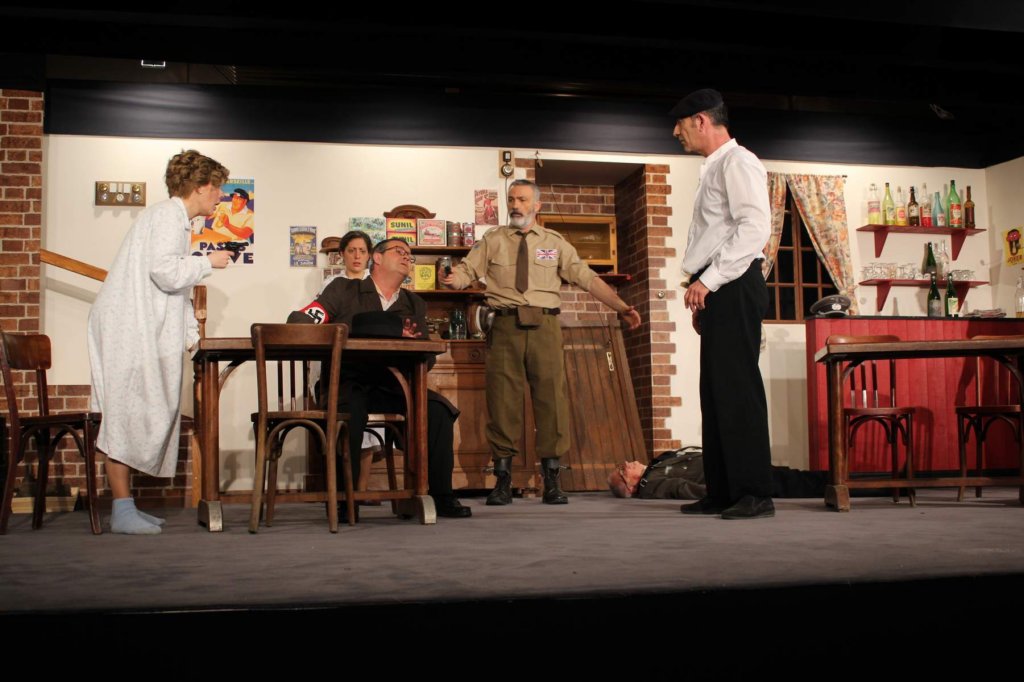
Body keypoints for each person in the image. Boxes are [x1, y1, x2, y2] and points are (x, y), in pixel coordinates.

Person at [440, 179, 642, 506]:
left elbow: (587, 278)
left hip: (545, 326)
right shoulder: (492, 240)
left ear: (537, 205)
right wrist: (453, 280)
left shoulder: (554, 243)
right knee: (502, 401)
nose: (515, 205)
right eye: (511, 199)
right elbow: (466, 271)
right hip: (504, 326)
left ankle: (552, 480)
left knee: (551, 400)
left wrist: (621, 307)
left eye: (522, 199)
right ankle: (503, 479)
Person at [88, 150, 232, 534]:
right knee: (125, 412)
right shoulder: (168, 215)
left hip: (135, 325)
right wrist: (208, 262)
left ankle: (126, 506)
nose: (219, 196)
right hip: (126, 326)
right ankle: (122, 509)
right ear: (199, 186)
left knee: (138, 409)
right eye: (216, 188)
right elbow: (165, 271)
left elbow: (175, 289)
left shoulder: (175, 220)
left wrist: (191, 336)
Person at [288, 238, 471, 519]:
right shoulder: (343, 290)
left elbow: (427, 354)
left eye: (410, 255)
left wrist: (410, 354)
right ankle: (342, 498)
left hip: (393, 385)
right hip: (348, 380)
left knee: (438, 410)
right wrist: (341, 335)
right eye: (399, 251)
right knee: (349, 412)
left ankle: (441, 496)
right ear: (377, 257)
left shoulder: (414, 303)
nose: (407, 257)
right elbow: (300, 322)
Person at [672, 88, 774, 520]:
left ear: (701, 120)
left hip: (734, 282)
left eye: (680, 124)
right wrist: (701, 288)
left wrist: (709, 281)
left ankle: (755, 492)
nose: (675, 133)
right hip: (717, 287)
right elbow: (714, 234)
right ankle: (724, 491)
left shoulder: (739, 161)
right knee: (715, 391)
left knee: (737, 388)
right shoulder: (714, 167)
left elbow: (754, 228)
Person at [608, 448, 829, 502]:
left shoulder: (655, 465)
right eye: (622, 470)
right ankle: (841, 484)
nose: (626, 463)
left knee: (791, 477)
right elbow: (682, 488)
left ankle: (839, 480)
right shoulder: (650, 484)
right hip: (732, 477)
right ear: (630, 487)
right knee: (793, 483)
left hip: (732, 464)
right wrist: (724, 493)